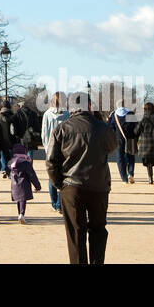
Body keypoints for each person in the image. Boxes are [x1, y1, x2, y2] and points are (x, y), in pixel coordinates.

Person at [46, 98, 118, 265]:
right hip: (99, 185)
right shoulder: (101, 128)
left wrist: (60, 184)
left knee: (75, 234)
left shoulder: (62, 129)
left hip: (71, 186)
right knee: (98, 229)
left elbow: (51, 162)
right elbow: (113, 146)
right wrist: (99, 122)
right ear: (90, 107)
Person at [38, 92, 70, 213]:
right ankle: (60, 203)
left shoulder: (47, 114)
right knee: (64, 176)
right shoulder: (67, 115)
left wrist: (47, 148)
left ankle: (54, 202)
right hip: (64, 150)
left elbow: (44, 133)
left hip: (51, 149)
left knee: (52, 176)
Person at [7, 142, 41, 223]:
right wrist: (37, 186)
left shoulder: (11, 162)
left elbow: (7, 170)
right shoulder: (25, 162)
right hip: (24, 183)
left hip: (14, 184)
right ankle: (21, 214)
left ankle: (20, 213)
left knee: (19, 200)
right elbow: (32, 175)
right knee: (23, 200)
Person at [110, 105, 138, 184]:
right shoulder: (130, 114)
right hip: (130, 138)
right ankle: (130, 173)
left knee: (120, 158)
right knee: (131, 156)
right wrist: (135, 137)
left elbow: (111, 128)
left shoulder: (114, 115)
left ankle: (124, 178)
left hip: (118, 139)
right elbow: (136, 127)